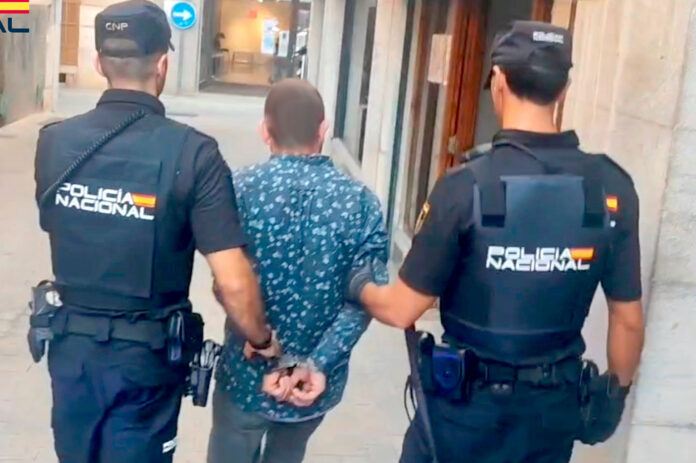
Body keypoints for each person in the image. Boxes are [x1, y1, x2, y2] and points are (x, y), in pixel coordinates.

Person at [347, 21, 645, 463]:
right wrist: (614, 398)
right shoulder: (610, 187)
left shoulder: (464, 186)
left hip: (464, 417)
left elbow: (401, 308)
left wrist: (357, 285)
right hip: (551, 416)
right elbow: (628, 320)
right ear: (563, 89)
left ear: (499, 81)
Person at [33, 1, 279, 462]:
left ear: (99, 63)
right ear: (163, 65)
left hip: (71, 352)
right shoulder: (195, 154)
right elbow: (232, 280)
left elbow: (55, 224)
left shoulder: (53, 142)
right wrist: (261, 338)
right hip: (145, 361)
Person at [207, 78, 389, 463]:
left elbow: (226, 283)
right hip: (313, 386)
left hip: (246, 376)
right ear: (324, 129)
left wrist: (258, 338)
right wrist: (317, 363)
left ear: (264, 130)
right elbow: (366, 299)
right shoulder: (361, 203)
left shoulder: (237, 190)